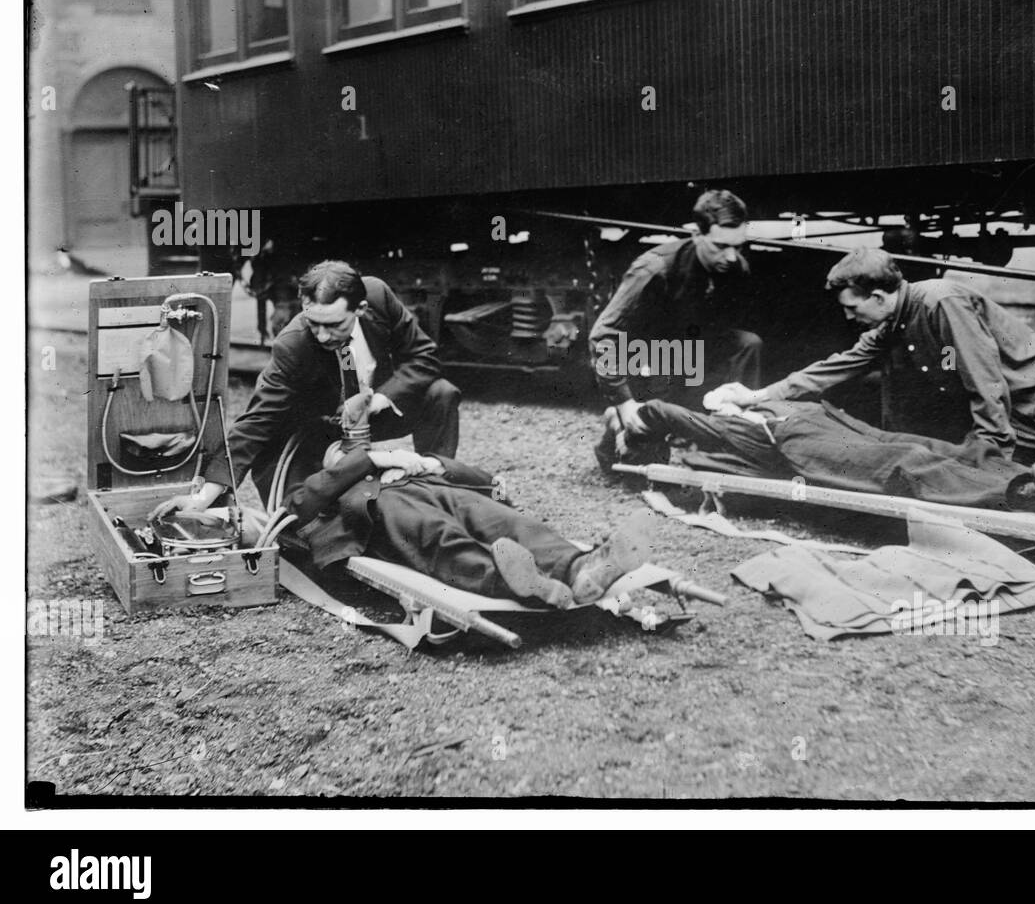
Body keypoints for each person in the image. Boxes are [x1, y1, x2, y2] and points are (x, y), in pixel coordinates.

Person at [708, 247, 1035, 466]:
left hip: (1034, 410)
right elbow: (833, 368)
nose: (849, 317)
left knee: (977, 473)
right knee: (942, 463)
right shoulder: (893, 322)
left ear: (880, 298)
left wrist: (993, 455)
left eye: (853, 307)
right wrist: (755, 396)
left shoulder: (941, 302)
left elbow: (985, 379)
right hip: (1012, 409)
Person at [152, 259, 460, 517]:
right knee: (309, 518)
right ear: (304, 306)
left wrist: (382, 398)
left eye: (334, 326)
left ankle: (436, 481)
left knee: (440, 393)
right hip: (324, 430)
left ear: (361, 309)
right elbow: (257, 421)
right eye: (315, 324)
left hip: (374, 412)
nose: (324, 337)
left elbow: (424, 357)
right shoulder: (293, 343)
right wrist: (203, 496)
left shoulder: (379, 296)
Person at [280, 431, 657, 608]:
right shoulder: (328, 489)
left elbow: (487, 484)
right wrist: (365, 463)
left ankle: (582, 568)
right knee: (439, 537)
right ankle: (527, 585)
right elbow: (297, 506)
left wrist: (430, 463)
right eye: (341, 453)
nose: (353, 452)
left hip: (423, 485)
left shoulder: (404, 464)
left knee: (502, 520)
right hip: (377, 509)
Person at [605, 397, 1035, 516]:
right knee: (902, 462)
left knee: (942, 448)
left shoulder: (704, 429)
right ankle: (1029, 495)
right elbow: (660, 409)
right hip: (794, 444)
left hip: (812, 419)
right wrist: (635, 420)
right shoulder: (687, 442)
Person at [588, 190, 763, 455]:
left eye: (738, 246)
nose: (731, 257)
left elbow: (719, 328)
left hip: (687, 348)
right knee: (645, 465)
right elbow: (603, 334)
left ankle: (731, 436)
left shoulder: (736, 268)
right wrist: (624, 402)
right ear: (696, 235)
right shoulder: (654, 269)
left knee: (747, 344)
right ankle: (616, 426)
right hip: (645, 354)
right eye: (720, 246)